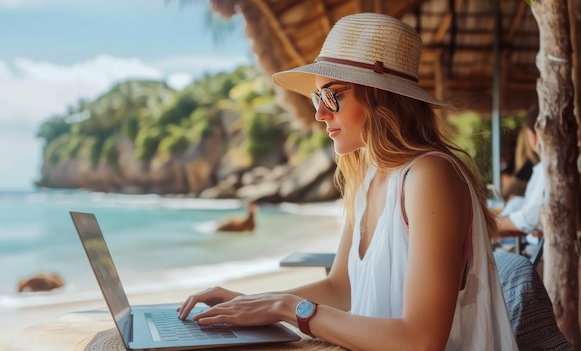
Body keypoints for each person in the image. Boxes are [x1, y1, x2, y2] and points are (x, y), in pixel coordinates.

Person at [178, 13, 517, 350]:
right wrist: (253, 302)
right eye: (317, 98)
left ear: (380, 96)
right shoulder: (368, 177)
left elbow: (421, 340)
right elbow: (342, 289)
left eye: (332, 96)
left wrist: (285, 307)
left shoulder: (430, 176)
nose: (320, 113)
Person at [497, 105, 544, 251]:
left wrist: (493, 223)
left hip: (542, 251)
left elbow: (528, 219)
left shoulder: (549, 169)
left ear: (533, 136)